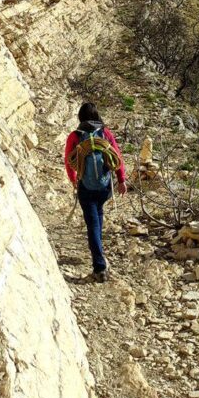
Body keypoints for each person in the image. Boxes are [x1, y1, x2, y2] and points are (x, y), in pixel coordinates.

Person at [64, 102, 127, 282]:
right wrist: (121, 180)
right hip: (104, 187)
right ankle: (99, 254)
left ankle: (99, 267)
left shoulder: (75, 136)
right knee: (98, 217)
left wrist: (74, 181)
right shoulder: (105, 133)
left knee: (92, 225)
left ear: (80, 117)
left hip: (86, 187)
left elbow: (69, 161)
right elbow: (117, 156)